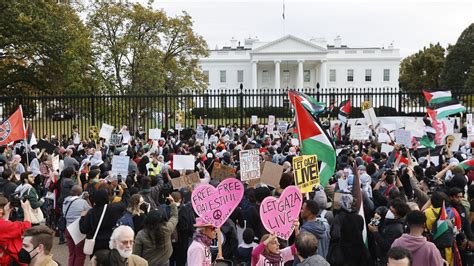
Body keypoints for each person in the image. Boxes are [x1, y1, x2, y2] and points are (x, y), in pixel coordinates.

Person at [133, 195, 178, 265]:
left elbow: (136, 255)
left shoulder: (141, 235)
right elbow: (174, 217)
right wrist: (173, 203)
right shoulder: (166, 229)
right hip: (165, 262)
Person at [79, 189, 125, 255]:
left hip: (95, 242)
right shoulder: (113, 209)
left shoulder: (91, 212)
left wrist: (82, 218)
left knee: (96, 261)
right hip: (109, 241)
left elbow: (83, 229)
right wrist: (125, 189)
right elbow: (125, 202)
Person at [368, 198, 410, 264]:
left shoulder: (396, 229)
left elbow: (385, 245)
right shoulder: (389, 217)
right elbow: (382, 208)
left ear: (397, 216)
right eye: (390, 209)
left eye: (392, 211)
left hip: (385, 259)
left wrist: (375, 232)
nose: (388, 212)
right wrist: (377, 214)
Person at [63, 185, 92, 266]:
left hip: (68, 228)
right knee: (80, 255)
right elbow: (91, 211)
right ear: (80, 192)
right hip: (77, 230)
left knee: (72, 254)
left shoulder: (65, 201)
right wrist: (87, 199)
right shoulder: (82, 202)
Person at [0, 196, 32, 265]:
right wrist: (26, 209)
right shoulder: (2, 225)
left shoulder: (3, 224)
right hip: (11, 261)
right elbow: (27, 227)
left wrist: (7, 212)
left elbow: (5, 225)